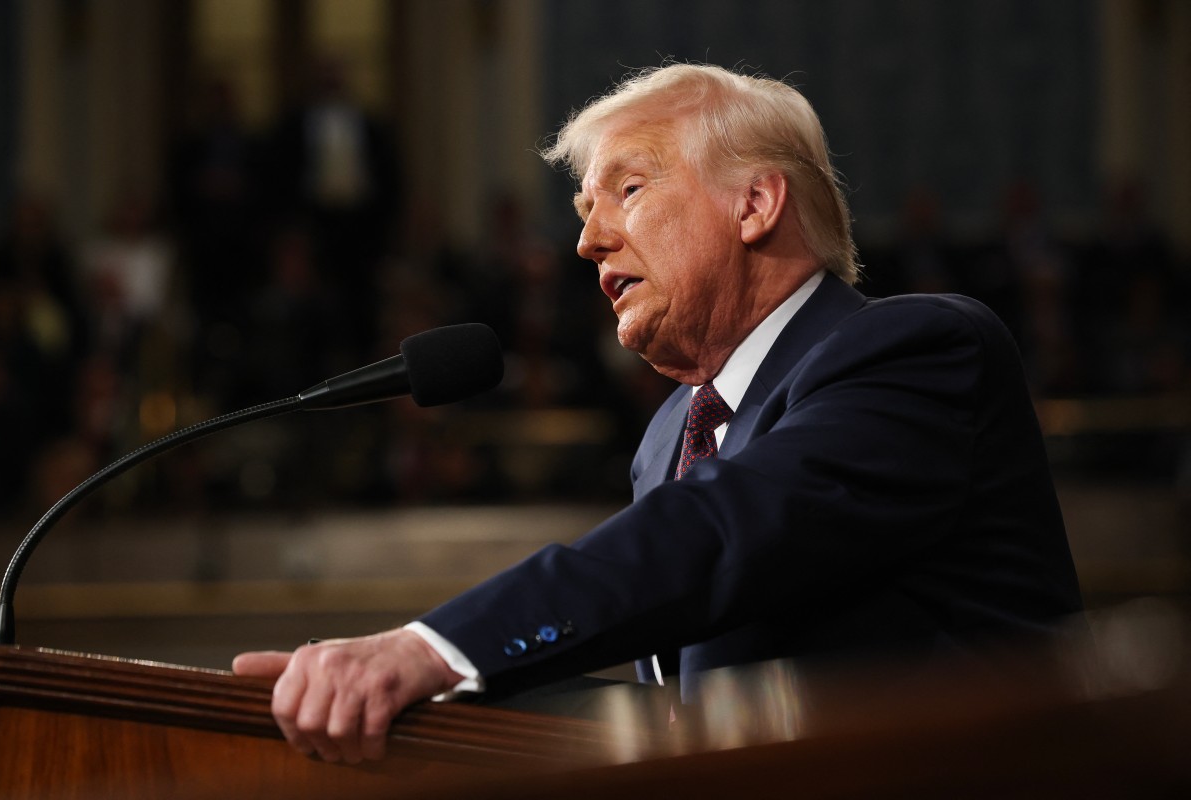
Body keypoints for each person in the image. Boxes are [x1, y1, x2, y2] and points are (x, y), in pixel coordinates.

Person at [233, 63, 1083, 764]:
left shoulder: (918, 350)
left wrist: (428, 650)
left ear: (755, 205)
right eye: (583, 212)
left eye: (628, 189)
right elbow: (694, 711)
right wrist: (435, 698)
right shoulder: (665, 440)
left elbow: (719, 532)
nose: (587, 241)